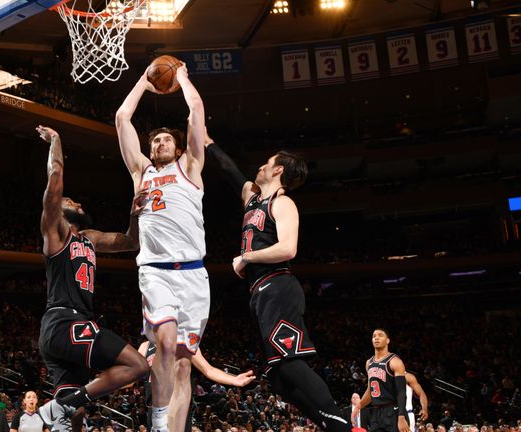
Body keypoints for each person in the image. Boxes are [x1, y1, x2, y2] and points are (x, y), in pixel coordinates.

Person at [202, 138, 349, 432]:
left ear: (278, 169)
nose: (260, 166)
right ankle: (329, 425)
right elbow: (229, 170)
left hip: (278, 285)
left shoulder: (282, 203)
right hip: (260, 292)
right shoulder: (253, 199)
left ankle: (342, 424)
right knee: (278, 378)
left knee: (290, 362)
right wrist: (207, 142)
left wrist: (246, 257)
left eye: (266, 162)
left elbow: (288, 248)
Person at [34, 125, 149, 432]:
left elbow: (130, 242)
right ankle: (66, 402)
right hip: (65, 323)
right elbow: (55, 178)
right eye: (71, 201)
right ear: (60, 208)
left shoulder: (89, 238)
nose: (78, 202)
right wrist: (57, 141)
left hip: (66, 327)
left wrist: (134, 214)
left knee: (75, 419)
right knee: (138, 365)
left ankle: (66, 404)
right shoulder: (56, 234)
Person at [115, 62, 209, 432]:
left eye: (165, 139)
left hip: (194, 274)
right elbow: (123, 118)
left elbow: (196, 110)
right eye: (154, 140)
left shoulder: (191, 166)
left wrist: (181, 77)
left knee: (183, 363)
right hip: (155, 271)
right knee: (165, 344)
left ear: (178, 146)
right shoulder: (142, 172)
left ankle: (172, 426)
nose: (158, 143)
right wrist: (144, 82)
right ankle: (156, 421)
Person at [137, 341, 255, 432]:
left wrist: (234, 379)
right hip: (154, 410)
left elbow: (208, 370)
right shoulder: (146, 346)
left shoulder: (185, 343)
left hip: (177, 409)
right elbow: (130, 377)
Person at [352, 329, 410, 432]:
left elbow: (401, 391)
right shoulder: (369, 363)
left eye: (380, 335)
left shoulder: (395, 361)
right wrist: (358, 406)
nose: (376, 338)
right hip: (376, 412)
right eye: (374, 336)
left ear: (387, 340)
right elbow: (371, 391)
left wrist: (401, 417)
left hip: (393, 411)